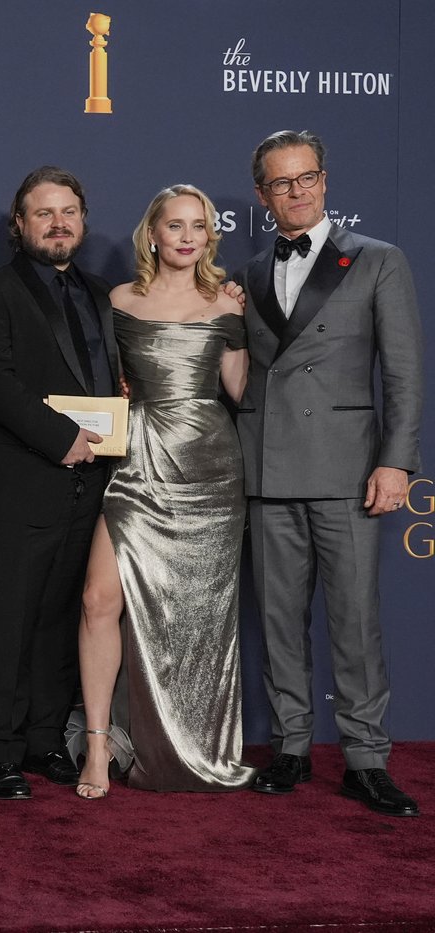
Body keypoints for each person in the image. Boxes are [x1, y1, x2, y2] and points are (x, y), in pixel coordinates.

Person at [240, 130, 423, 817]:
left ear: (324, 180)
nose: (297, 192)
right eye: (282, 183)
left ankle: (366, 759)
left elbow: (403, 373)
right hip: (267, 470)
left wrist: (396, 460)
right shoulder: (253, 271)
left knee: (354, 622)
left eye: (307, 177)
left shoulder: (378, 260)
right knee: (280, 622)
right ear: (262, 194)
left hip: (349, 470)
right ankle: (290, 747)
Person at [76, 184, 253, 798]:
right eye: (173, 225)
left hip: (209, 468)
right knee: (100, 599)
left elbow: (239, 392)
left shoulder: (228, 306)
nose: (185, 236)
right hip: (139, 459)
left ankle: (195, 745)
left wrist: (249, 317)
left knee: (200, 620)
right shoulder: (118, 299)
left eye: (197, 226)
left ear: (209, 236)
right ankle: (98, 747)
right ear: (152, 233)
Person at [0, 166, 119, 800]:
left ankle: (45, 740)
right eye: (44, 213)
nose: (59, 223)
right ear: (19, 225)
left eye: (69, 213)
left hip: (89, 484)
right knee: (8, 618)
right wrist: (62, 439)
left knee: (60, 617)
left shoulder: (103, 293)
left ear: (82, 222)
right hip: (20, 480)